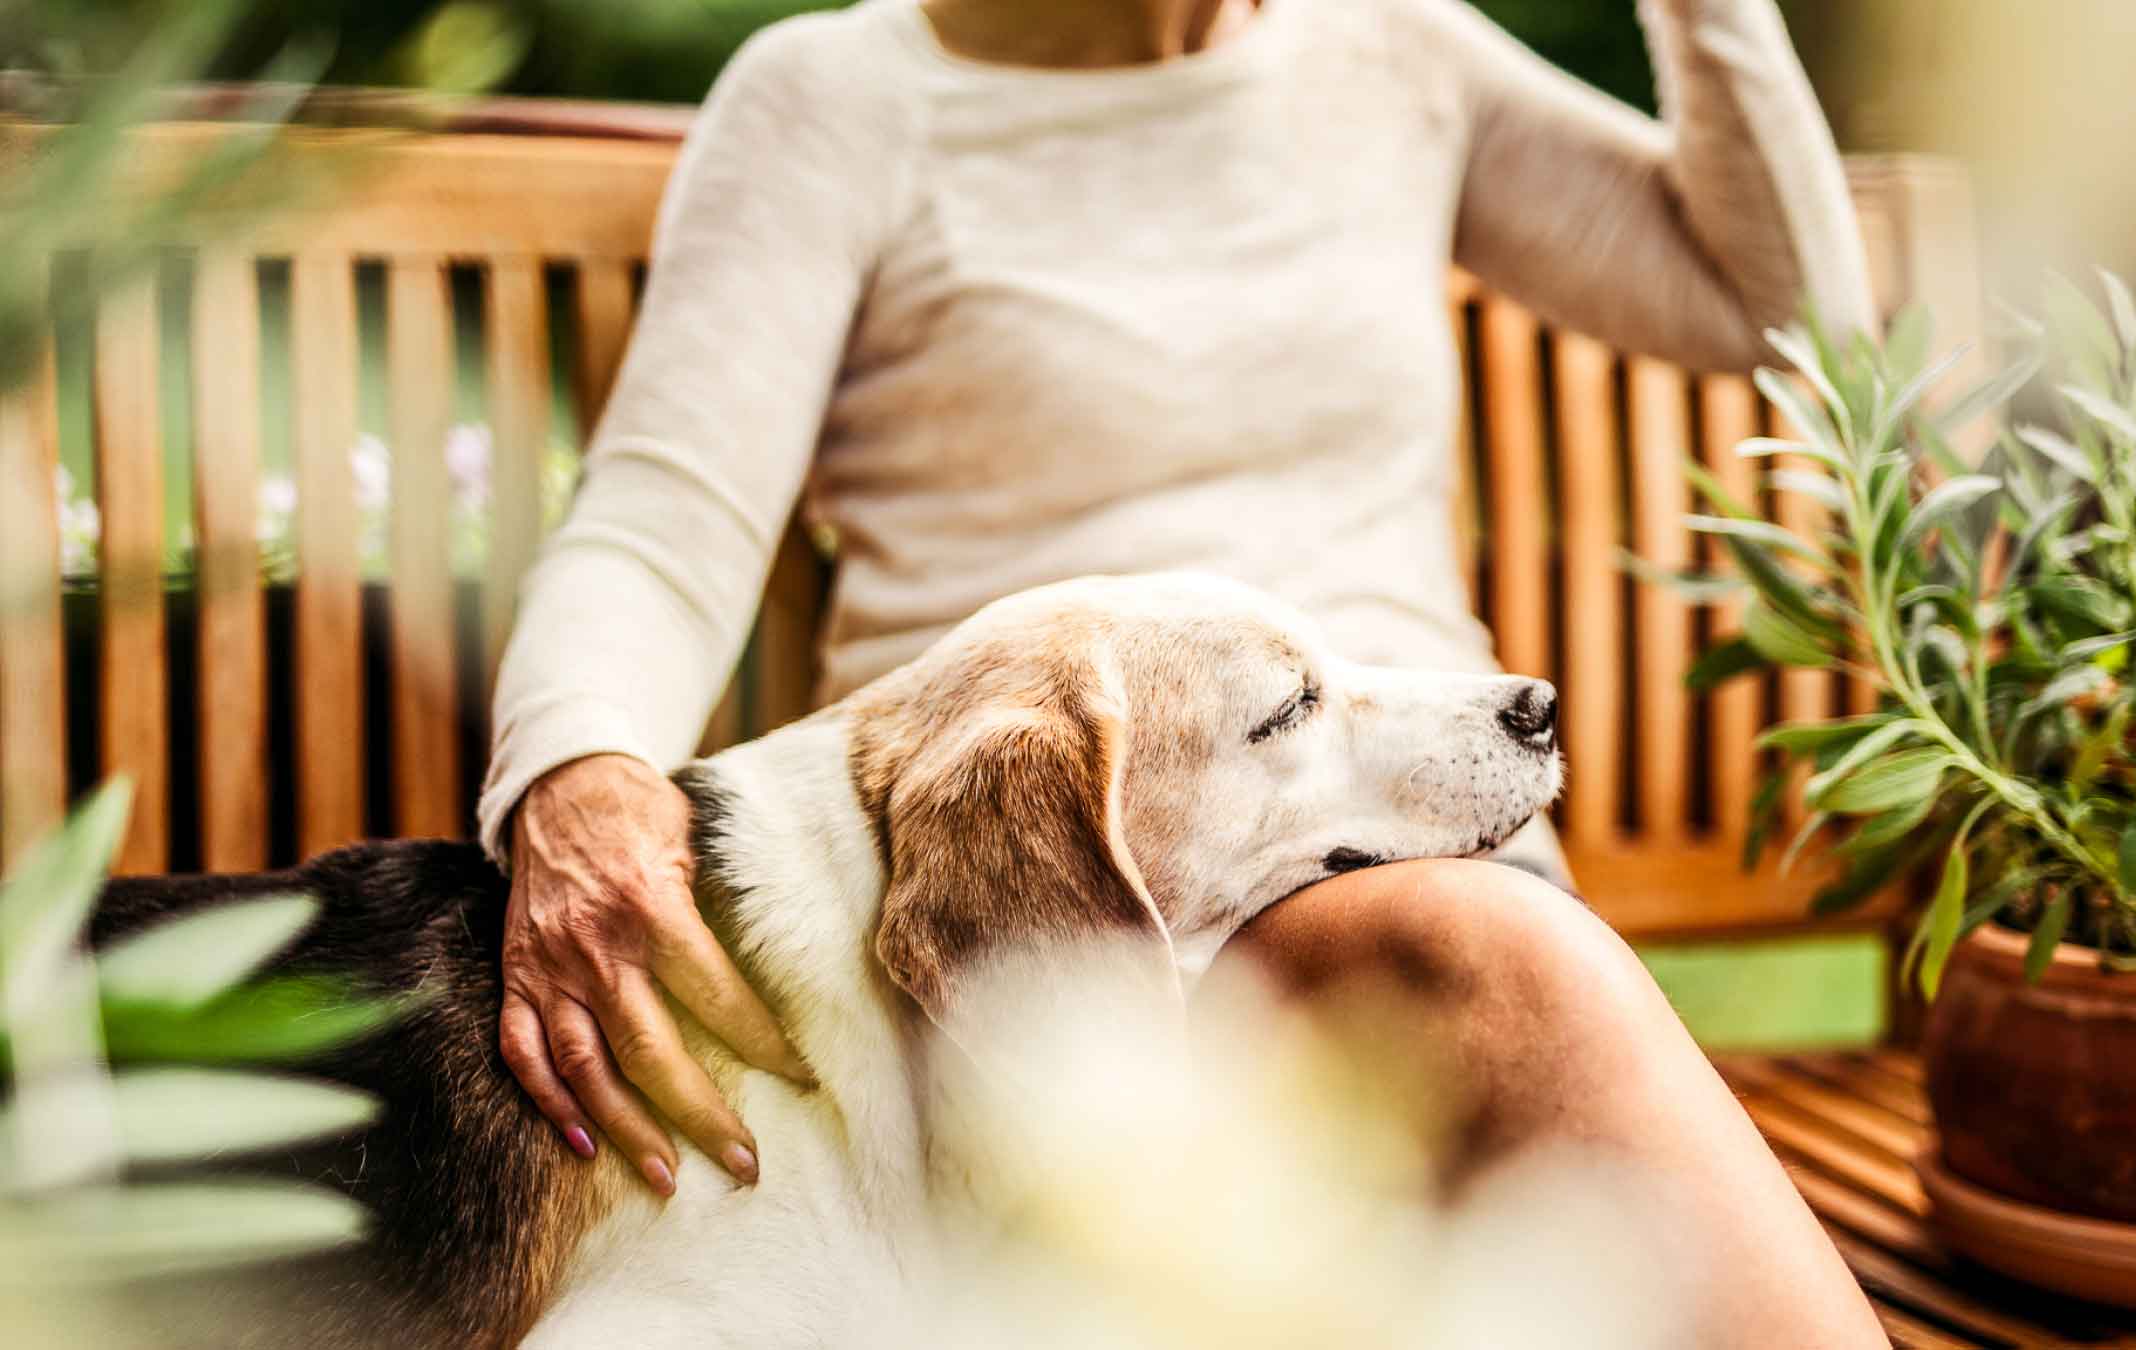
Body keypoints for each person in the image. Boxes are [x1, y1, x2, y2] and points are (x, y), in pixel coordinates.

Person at [480, 0, 1883, 1339]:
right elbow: (663, 522)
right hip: (1055, 902)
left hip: (1413, 818)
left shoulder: (1398, 55)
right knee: (1500, 963)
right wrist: (580, 770)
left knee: (1491, 967)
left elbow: (1782, 306)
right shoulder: (836, 101)